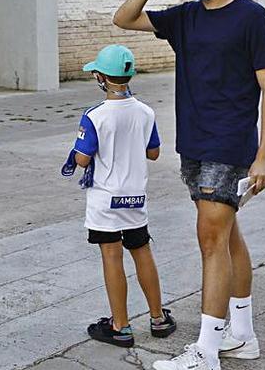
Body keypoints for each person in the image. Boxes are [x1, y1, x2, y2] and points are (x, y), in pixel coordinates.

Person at [112, 0, 265, 370]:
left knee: (210, 240)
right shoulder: (184, 17)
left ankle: (206, 351)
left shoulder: (252, 17)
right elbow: (124, 18)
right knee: (226, 237)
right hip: (194, 142)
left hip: (229, 143)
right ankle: (241, 335)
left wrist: (264, 155)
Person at [61, 44, 177, 349]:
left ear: (101, 77)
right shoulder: (146, 111)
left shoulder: (95, 115)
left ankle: (120, 326)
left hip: (105, 199)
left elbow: (83, 160)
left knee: (112, 256)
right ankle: (158, 318)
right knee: (142, 251)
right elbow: (153, 152)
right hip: (135, 197)